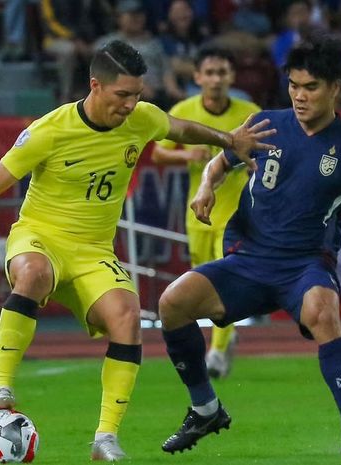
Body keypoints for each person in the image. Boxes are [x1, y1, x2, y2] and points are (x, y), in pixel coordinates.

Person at [0, 40, 275, 462]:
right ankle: (2, 387)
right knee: (33, 274)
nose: (132, 105)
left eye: (137, 95)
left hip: (93, 251)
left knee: (128, 317)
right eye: (123, 95)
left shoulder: (141, 118)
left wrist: (227, 140)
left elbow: (180, 129)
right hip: (40, 237)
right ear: (95, 86)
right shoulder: (49, 130)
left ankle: (105, 439)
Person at [158, 33, 341, 455]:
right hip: (247, 259)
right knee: (171, 303)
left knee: (324, 311)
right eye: (294, 86)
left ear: (334, 88)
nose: (300, 96)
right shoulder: (266, 124)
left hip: (305, 265)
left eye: (311, 87)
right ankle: (206, 408)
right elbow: (220, 160)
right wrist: (206, 186)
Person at [152, 46, 260, 379]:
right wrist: (186, 156)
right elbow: (158, 153)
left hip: (236, 214)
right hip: (198, 213)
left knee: (224, 279)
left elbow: (269, 151)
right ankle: (225, 338)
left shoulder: (250, 113)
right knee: (202, 282)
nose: (215, 79)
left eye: (222, 72)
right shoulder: (184, 110)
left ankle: (216, 350)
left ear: (231, 77)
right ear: (197, 77)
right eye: (209, 73)